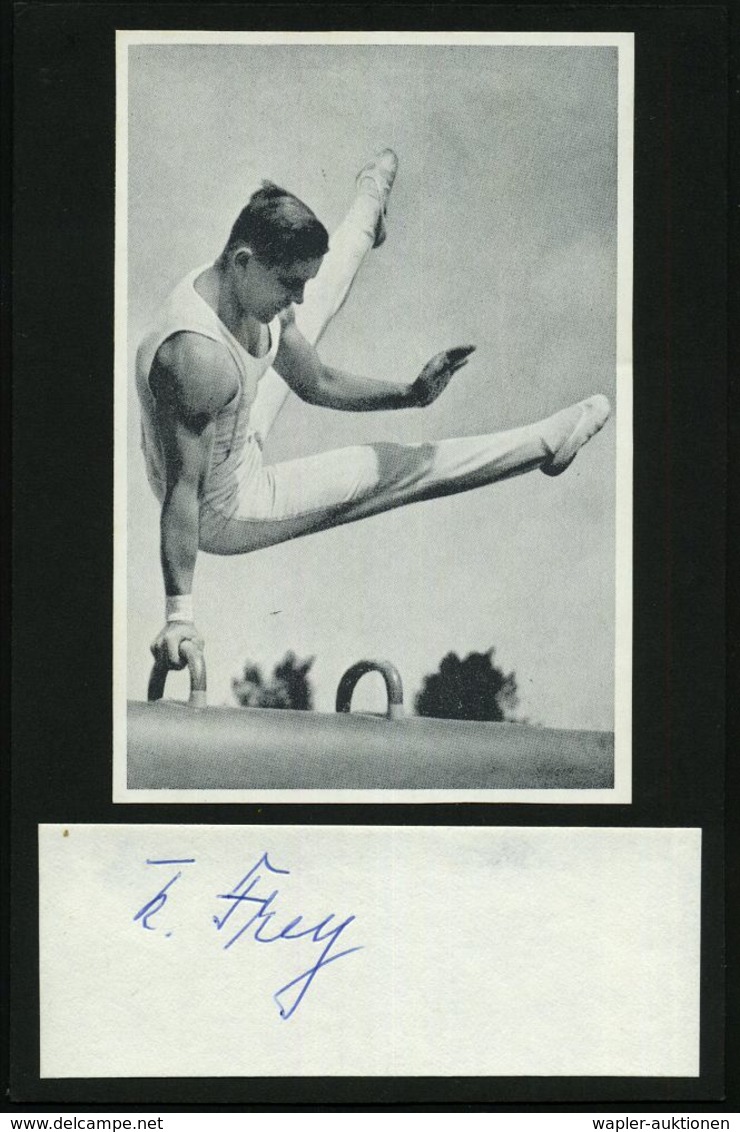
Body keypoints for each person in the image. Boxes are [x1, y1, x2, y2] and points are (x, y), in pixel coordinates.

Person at [136, 149, 611, 670]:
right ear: (244, 261)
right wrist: (179, 616)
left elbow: (316, 380)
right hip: (222, 508)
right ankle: (547, 442)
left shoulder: (248, 288)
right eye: (288, 282)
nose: (294, 296)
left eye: (301, 281)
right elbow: (182, 493)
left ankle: (367, 210)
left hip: (232, 429)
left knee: (312, 313)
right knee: (391, 467)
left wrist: (410, 393)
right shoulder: (196, 358)